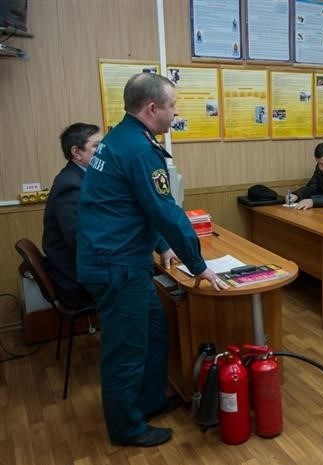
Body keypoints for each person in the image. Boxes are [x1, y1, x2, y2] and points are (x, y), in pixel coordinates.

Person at [76, 72, 229, 447]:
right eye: (172, 106)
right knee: (125, 350)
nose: (174, 113)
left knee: (155, 329)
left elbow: (136, 205)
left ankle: (146, 401)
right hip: (117, 266)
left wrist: (162, 245)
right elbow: (165, 210)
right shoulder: (140, 149)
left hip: (116, 259)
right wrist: (199, 265)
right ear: (152, 108)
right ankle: (127, 427)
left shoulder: (122, 138)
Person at [42, 123, 102, 309]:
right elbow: (78, 239)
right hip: (76, 281)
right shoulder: (70, 184)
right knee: (137, 284)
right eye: (96, 146)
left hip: (85, 269)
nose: (104, 151)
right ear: (77, 152)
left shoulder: (84, 177)